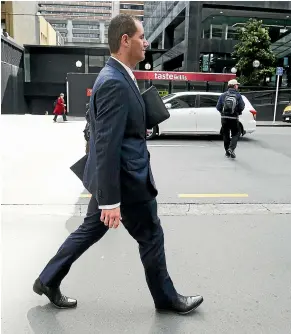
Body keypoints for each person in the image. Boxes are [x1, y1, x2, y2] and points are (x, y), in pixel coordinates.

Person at [33, 14, 203, 314]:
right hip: (126, 181)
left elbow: (105, 128)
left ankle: (48, 279)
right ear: (125, 40)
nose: (146, 43)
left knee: (89, 229)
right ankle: (166, 299)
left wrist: (140, 124)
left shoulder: (118, 74)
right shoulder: (114, 81)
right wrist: (111, 200)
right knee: (151, 235)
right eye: (141, 37)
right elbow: (106, 143)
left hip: (113, 177)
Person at [216, 79, 245, 158]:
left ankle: (227, 152)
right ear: (235, 86)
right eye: (237, 85)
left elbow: (218, 107)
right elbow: (242, 106)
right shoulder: (238, 95)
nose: (238, 86)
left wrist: (222, 113)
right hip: (234, 118)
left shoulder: (223, 95)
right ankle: (231, 149)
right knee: (235, 133)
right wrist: (237, 112)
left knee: (226, 134)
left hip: (224, 118)